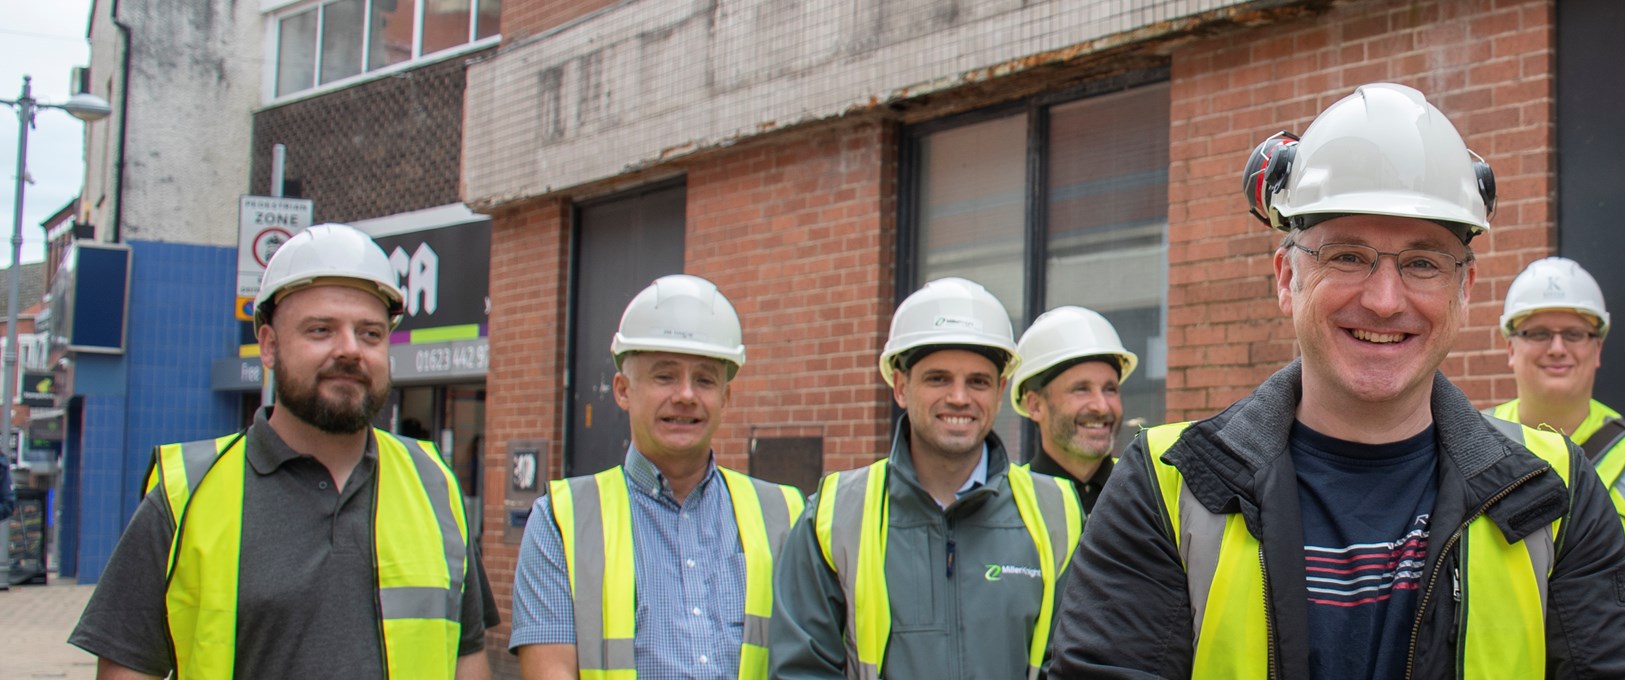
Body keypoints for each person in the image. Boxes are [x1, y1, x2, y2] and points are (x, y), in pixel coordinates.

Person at [1049, 82, 1625, 678]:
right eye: (1346, 256)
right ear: (1287, 278)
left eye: (1422, 262)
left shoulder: (1554, 492)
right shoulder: (1167, 486)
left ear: (1464, 290)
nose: (1386, 301)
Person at [70, 223, 489, 679]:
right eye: (321, 330)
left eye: (370, 334)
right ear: (268, 346)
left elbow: (467, 658)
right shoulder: (186, 493)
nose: (350, 350)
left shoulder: (434, 485)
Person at [769, 276, 1084, 679]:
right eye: (938, 378)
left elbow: (1078, 663)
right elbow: (802, 671)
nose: (959, 397)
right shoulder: (834, 516)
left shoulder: (1058, 513)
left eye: (978, 382)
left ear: (1000, 390)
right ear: (901, 387)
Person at [510, 274, 807, 679]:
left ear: (725, 397)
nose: (686, 395)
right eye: (664, 376)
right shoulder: (560, 522)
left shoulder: (785, 515)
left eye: (704, 379)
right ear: (622, 390)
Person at [1489, 256, 1625, 677]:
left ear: (1598, 347)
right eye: (1537, 333)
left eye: (1574, 333)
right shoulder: (1472, 442)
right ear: (1510, 346)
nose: (1557, 348)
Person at [1009, 305, 1137, 512]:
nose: (1101, 406)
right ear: (1035, 405)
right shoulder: (1009, 502)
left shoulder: (1147, 494)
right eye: (1081, 389)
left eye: (1110, 389)